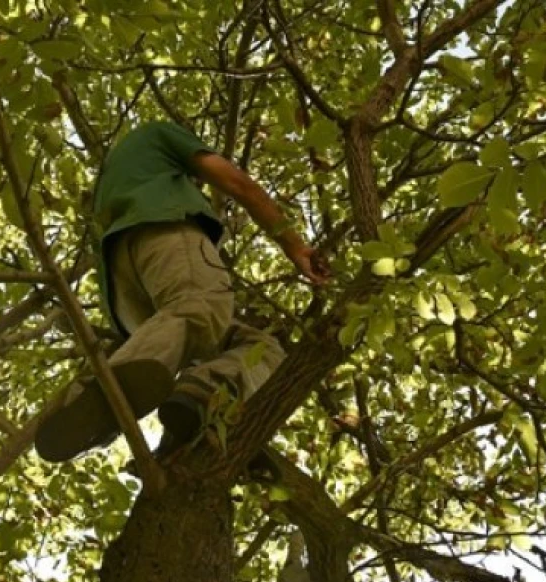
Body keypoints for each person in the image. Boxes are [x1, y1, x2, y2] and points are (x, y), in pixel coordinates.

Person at [35, 120, 331, 463]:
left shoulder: (118, 177)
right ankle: (115, 392)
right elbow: (239, 184)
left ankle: (188, 419)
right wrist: (296, 247)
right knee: (200, 307)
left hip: (128, 297)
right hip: (166, 235)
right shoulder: (158, 135)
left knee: (260, 348)